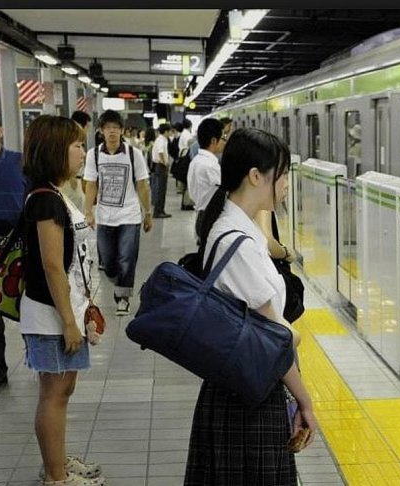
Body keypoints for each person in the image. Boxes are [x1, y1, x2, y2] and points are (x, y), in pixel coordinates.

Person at [184, 128, 317, 485]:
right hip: (247, 404)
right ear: (256, 176)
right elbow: (275, 339)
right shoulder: (237, 243)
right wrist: (305, 401)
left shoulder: (234, 230)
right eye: (283, 173)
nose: (287, 183)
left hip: (240, 391)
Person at [21, 115, 105, 485]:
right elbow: (53, 266)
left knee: (63, 390)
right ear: (57, 150)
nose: (83, 152)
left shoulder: (56, 195)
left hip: (64, 310)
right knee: (54, 394)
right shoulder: (44, 200)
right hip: (50, 315)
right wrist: (69, 322)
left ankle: (56, 461)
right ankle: (56, 477)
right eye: (77, 146)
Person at [82, 110, 153, 316]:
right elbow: (91, 185)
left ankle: (123, 297)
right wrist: (88, 212)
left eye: (116, 127)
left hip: (129, 215)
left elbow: (142, 185)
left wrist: (147, 213)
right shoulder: (93, 155)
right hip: (105, 217)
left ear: (122, 130)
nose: (112, 131)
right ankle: (118, 281)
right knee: (108, 263)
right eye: (108, 127)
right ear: (101, 131)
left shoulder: (133, 154)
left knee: (126, 259)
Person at [0, 114, 26, 388]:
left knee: (24, 301)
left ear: (1, 131)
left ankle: (34, 352)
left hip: (16, 241)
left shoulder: (18, 162)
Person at [186, 118, 226, 239]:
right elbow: (224, 193)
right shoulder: (209, 165)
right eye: (223, 138)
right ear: (214, 140)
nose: (225, 141)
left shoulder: (196, 161)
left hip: (201, 215)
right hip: (210, 218)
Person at [149, 124, 172, 218]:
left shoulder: (159, 139)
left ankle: (160, 210)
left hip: (158, 165)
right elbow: (161, 152)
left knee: (161, 189)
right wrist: (165, 162)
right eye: (169, 131)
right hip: (161, 166)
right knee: (161, 190)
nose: (170, 133)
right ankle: (158, 211)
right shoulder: (162, 140)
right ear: (166, 131)